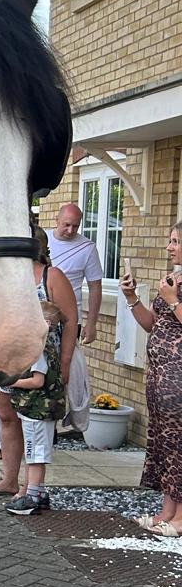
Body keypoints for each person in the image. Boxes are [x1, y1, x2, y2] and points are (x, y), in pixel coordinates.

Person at [0, 229, 77, 504]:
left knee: (32, 420)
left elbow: (70, 321)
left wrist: (66, 363)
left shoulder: (52, 276)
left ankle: (29, 486)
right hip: (8, 359)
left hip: (40, 363)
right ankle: (8, 480)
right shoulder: (7, 277)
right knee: (7, 416)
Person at [120, 219, 182, 535]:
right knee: (164, 443)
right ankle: (166, 513)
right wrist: (132, 298)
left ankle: (181, 519)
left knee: (179, 444)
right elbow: (152, 324)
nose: (169, 246)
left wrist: (173, 300)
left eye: (174, 241)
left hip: (178, 377)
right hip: (159, 375)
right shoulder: (173, 278)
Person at [4, 299, 68, 516]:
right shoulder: (43, 345)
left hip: (37, 409)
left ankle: (31, 497)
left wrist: (11, 381)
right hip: (39, 409)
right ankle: (38, 493)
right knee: (37, 452)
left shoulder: (38, 348)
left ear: (46, 323)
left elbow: (37, 381)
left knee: (34, 454)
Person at [49, 202, 104, 434]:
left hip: (69, 319)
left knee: (65, 370)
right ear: (57, 221)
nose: (70, 230)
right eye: (66, 225)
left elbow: (95, 286)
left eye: (75, 226)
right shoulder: (41, 240)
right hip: (41, 315)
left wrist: (91, 323)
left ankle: (58, 420)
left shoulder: (87, 248)